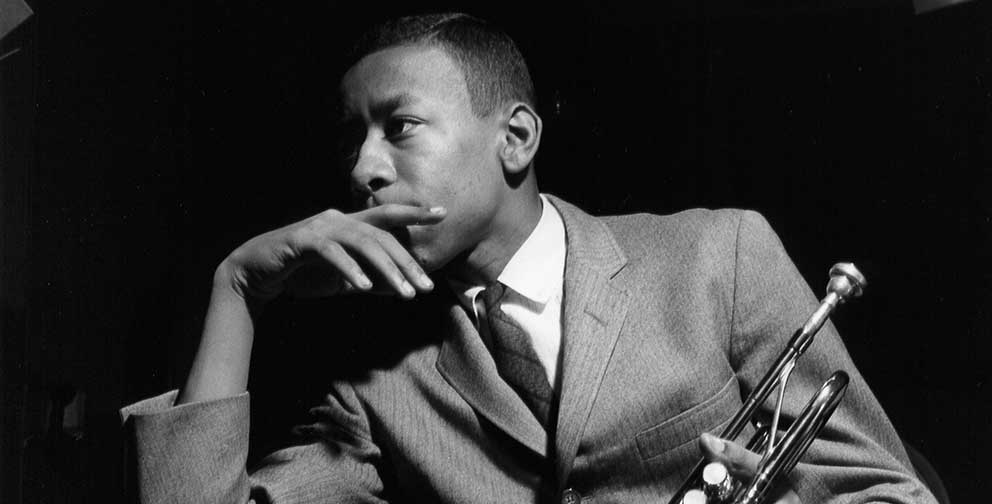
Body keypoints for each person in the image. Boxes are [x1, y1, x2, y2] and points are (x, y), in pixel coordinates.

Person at [120, 13, 936, 503]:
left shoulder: (716, 256)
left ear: (515, 138)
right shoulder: (372, 386)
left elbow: (889, 493)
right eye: (350, 140)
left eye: (398, 127)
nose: (363, 168)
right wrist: (236, 291)